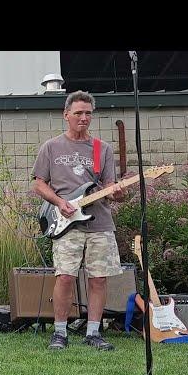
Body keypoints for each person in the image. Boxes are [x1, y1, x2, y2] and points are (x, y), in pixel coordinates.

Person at [31, 90, 125, 351]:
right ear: (66, 115)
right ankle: (60, 332)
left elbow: (109, 187)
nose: (84, 118)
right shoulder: (51, 147)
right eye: (78, 113)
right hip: (65, 221)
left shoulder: (101, 149)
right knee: (64, 277)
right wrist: (61, 203)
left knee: (98, 278)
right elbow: (39, 185)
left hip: (100, 222)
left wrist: (118, 193)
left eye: (88, 114)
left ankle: (94, 332)